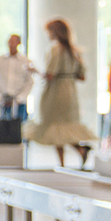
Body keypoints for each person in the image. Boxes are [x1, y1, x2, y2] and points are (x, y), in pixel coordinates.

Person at [26, 17, 96, 167]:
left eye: (49, 31)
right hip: (70, 92)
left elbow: (49, 74)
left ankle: (65, 161)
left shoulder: (55, 49)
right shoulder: (74, 51)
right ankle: (78, 151)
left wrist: (34, 70)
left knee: (55, 127)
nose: (47, 35)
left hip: (55, 93)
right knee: (63, 128)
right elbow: (81, 76)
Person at [0, 34, 35, 123]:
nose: (11, 44)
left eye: (14, 41)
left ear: (19, 43)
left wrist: (19, 99)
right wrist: (0, 97)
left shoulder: (25, 61)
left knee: (19, 130)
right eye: (10, 41)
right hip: (1, 102)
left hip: (19, 103)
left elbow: (29, 82)